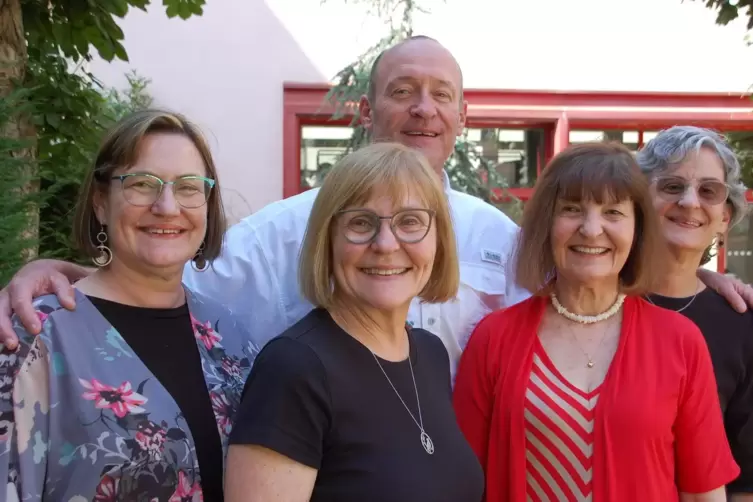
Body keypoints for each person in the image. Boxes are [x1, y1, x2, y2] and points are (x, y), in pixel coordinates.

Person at [0, 37, 750, 381]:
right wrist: (67, 272)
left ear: (462, 116)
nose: (422, 111)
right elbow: (158, 290)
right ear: (365, 108)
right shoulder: (276, 235)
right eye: (402, 91)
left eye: (441, 96)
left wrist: (689, 275)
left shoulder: (504, 237)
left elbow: (591, 302)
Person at [453, 142, 739, 502]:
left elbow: (703, 494)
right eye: (572, 209)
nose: (591, 229)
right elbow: (462, 484)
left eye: (613, 213)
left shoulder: (680, 341)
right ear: (546, 224)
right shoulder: (494, 338)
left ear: (637, 228)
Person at [0, 110, 260, 501]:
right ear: (101, 202)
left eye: (189, 187)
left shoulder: (231, 340)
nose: (167, 206)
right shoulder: (35, 337)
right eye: (142, 183)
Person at [225, 142, 484, 502]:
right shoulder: (294, 369)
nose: (385, 243)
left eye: (410, 221)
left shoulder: (429, 353)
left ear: (438, 240)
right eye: (361, 223)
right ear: (327, 241)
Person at [637, 126, 753, 498]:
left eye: (709, 191)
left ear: (724, 218)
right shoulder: (593, 305)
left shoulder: (741, 323)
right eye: (672, 186)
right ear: (639, 200)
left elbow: (747, 478)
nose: (690, 202)